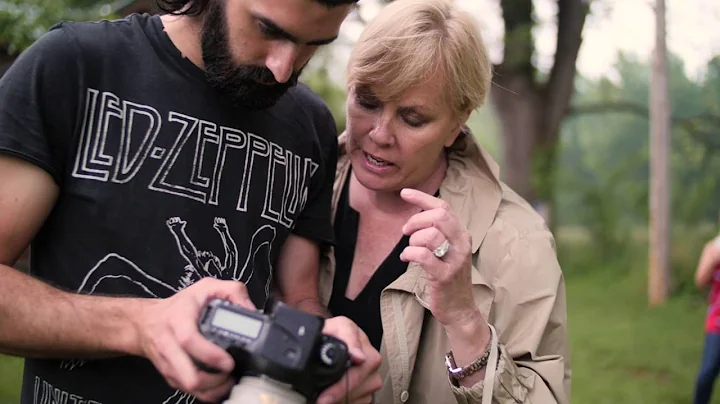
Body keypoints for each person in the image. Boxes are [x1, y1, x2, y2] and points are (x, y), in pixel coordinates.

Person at [0, 0, 382, 403]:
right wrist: (140, 325)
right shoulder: (75, 66)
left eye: (313, 45)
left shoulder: (312, 127)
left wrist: (326, 349)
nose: (283, 68)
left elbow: (298, 299)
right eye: (269, 30)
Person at [317, 0, 572, 402]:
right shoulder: (296, 180)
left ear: (457, 123)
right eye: (367, 101)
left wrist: (464, 319)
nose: (381, 133)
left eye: (412, 118)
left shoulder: (518, 243)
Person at [693, 234, 720, 404]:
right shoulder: (713, 248)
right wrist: (712, 260)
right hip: (717, 323)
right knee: (707, 373)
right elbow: (700, 281)